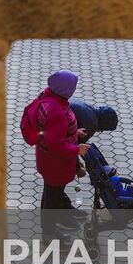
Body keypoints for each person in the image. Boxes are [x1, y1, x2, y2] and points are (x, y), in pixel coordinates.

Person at [19, 70, 89, 214]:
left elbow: (52, 134)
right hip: (56, 165)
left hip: (48, 160)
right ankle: (49, 231)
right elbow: (56, 145)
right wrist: (78, 149)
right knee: (51, 200)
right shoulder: (56, 111)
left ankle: (63, 211)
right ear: (66, 90)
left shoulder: (50, 98)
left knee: (52, 192)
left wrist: (74, 132)